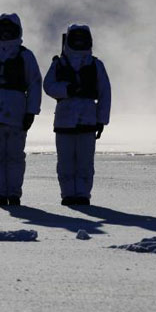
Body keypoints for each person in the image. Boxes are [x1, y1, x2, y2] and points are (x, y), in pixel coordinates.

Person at [0, 13, 42, 206]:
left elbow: (35, 83)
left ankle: (14, 194)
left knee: (15, 158)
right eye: (2, 31)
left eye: (9, 31)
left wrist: (31, 112)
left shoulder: (25, 55)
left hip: (16, 115)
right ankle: (0, 194)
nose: (5, 35)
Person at [43, 24, 111, 206]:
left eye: (83, 39)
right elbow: (48, 86)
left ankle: (82, 195)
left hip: (88, 120)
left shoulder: (96, 64)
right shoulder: (59, 64)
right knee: (65, 162)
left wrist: (101, 120)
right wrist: (67, 90)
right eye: (77, 39)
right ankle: (67, 195)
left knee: (84, 163)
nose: (79, 42)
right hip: (65, 120)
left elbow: (105, 93)